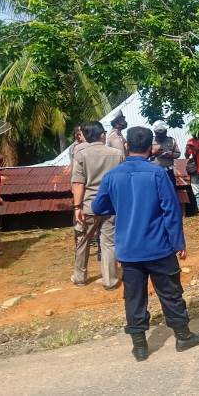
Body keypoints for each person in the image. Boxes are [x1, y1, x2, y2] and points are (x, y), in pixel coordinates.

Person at [92, 127, 199, 362]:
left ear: (127, 146)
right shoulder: (157, 174)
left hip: (128, 250)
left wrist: (121, 207)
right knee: (170, 293)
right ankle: (183, 337)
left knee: (134, 297)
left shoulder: (112, 176)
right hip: (159, 247)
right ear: (150, 148)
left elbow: (98, 208)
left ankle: (140, 347)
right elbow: (171, 211)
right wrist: (178, 242)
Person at [71, 121, 124, 289]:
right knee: (109, 242)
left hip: (89, 205)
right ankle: (110, 281)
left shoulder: (81, 154)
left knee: (83, 240)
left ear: (85, 136)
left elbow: (78, 183)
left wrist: (77, 207)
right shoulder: (117, 154)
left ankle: (80, 277)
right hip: (111, 205)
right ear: (102, 135)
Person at [150, 120, 181, 186]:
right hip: (155, 171)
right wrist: (153, 153)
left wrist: (171, 155)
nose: (160, 135)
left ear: (166, 131)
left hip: (168, 171)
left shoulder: (171, 140)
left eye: (162, 133)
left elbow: (178, 154)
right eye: (158, 134)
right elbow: (145, 155)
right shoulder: (150, 141)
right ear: (155, 132)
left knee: (171, 190)